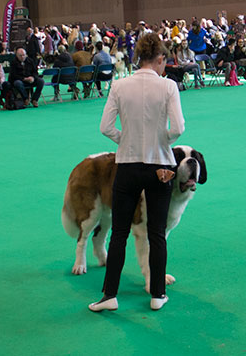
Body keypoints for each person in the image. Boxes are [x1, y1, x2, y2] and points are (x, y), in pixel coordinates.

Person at [90, 33, 184, 313]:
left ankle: (109, 296)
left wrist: (127, 139)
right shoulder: (168, 86)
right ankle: (157, 294)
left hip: (128, 167)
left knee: (118, 233)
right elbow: (178, 128)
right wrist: (160, 140)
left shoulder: (119, 85)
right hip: (161, 169)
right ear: (160, 59)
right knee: (157, 233)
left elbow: (106, 128)